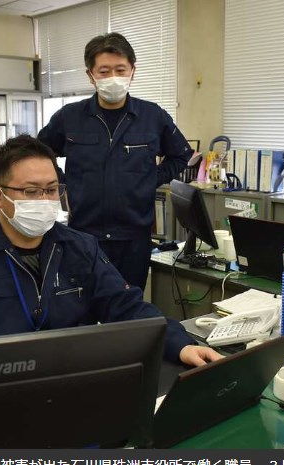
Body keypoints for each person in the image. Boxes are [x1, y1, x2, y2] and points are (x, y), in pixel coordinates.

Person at [0, 135, 220, 367]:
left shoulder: (80, 248)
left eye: (52, 189)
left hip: (70, 386)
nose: (44, 200)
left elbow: (129, 308)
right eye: (30, 191)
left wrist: (181, 345)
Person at [38, 32, 193, 293]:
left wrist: (151, 179)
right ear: (90, 75)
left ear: (133, 70)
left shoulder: (152, 116)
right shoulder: (70, 117)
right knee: (81, 311)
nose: (113, 78)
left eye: (120, 70)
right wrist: (61, 184)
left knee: (126, 312)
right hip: (83, 236)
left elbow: (181, 154)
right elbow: (39, 152)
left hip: (133, 239)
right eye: (104, 71)